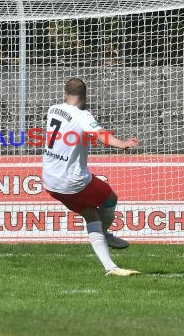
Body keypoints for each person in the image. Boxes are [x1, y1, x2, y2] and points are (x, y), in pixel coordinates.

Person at [42, 77, 140, 276]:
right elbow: (100, 134)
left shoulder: (53, 109)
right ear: (85, 97)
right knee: (111, 199)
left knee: (91, 213)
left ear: (64, 94)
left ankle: (110, 267)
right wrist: (122, 144)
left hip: (50, 181)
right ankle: (104, 235)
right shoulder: (82, 116)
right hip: (73, 181)